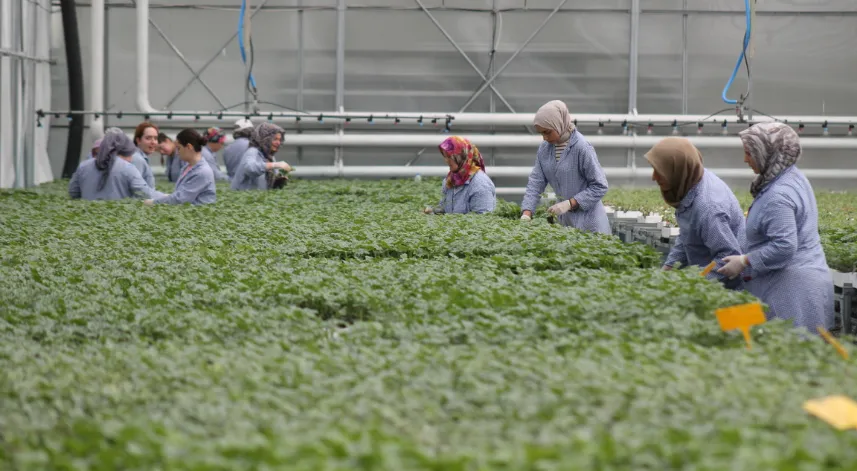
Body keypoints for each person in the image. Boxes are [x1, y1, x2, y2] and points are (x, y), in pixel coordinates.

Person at [718, 122, 834, 332]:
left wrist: (744, 261)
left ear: (768, 152)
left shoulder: (778, 196)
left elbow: (785, 246)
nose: (745, 159)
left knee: (785, 348)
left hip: (790, 292)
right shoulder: (790, 176)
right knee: (734, 327)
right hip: (797, 283)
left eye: (749, 153)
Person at [645, 137, 746, 290]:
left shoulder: (708, 208)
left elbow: (727, 259)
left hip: (728, 291)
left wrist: (691, 284)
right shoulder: (693, 179)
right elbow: (688, 235)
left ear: (678, 169)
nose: (654, 177)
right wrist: (668, 269)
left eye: (659, 171)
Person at [520, 100, 611, 234]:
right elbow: (536, 182)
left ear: (558, 124)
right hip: (566, 224)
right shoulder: (545, 149)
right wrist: (527, 213)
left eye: (547, 132)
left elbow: (600, 186)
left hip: (590, 224)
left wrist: (570, 203)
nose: (544, 138)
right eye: (541, 133)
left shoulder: (581, 147)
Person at [68, 132, 160, 200]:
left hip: (87, 216)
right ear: (124, 152)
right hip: (118, 217)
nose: (131, 159)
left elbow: (73, 192)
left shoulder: (83, 166)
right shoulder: (128, 168)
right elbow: (145, 194)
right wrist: (166, 197)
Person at [423, 136, 495, 215]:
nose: (446, 160)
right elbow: (444, 209)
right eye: (445, 156)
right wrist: (432, 211)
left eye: (449, 156)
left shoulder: (480, 184)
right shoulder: (450, 180)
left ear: (462, 156)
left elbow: (483, 219)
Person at [145, 129, 216, 206]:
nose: (177, 152)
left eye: (179, 148)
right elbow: (179, 194)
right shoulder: (186, 167)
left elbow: (180, 199)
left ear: (189, 147)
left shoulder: (202, 172)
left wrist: (152, 202)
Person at [230, 123, 292, 191]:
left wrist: (279, 181)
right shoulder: (252, 151)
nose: (278, 143)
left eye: (280, 140)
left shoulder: (269, 156)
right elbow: (250, 168)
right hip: (242, 195)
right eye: (275, 139)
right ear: (265, 139)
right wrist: (274, 165)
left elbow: (268, 185)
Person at [131, 122, 158, 188]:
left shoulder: (140, 157)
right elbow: (137, 189)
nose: (153, 142)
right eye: (148, 138)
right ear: (138, 140)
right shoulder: (137, 159)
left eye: (155, 138)